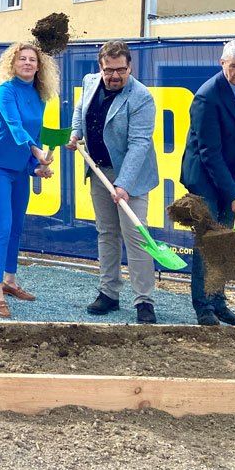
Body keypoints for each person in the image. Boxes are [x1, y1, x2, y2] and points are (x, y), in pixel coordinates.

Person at [66, 40, 161, 324]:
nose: (115, 76)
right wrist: (75, 132)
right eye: (109, 70)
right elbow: (80, 109)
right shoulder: (90, 81)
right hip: (99, 170)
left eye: (121, 70)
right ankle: (109, 293)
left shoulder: (141, 97)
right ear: (101, 67)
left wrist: (125, 184)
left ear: (130, 66)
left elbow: (139, 144)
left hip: (132, 176)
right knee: (106, 232)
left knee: (136, 237)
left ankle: (144, 300)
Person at [180, 38, 235, 326]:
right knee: (208, 241)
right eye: (234, 66)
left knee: (225, 241)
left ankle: (219, 303)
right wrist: (232, 194)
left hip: (231, 171)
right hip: (205, 178)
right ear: (222, 63)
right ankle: (203, 307)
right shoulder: (207, 97)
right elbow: (208, 152)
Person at [0, 42, 58, 318]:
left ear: (39, 67)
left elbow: (35, 135)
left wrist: (35, 168)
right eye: (22, 59)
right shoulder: (5, 91)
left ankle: (10, 281)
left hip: (18, 168)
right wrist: (37, 152)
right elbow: (14, 126)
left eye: (32, 60)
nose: (27, 63)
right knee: (3, 225)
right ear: (12, 64)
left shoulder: (39, 97)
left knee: (16, 226)